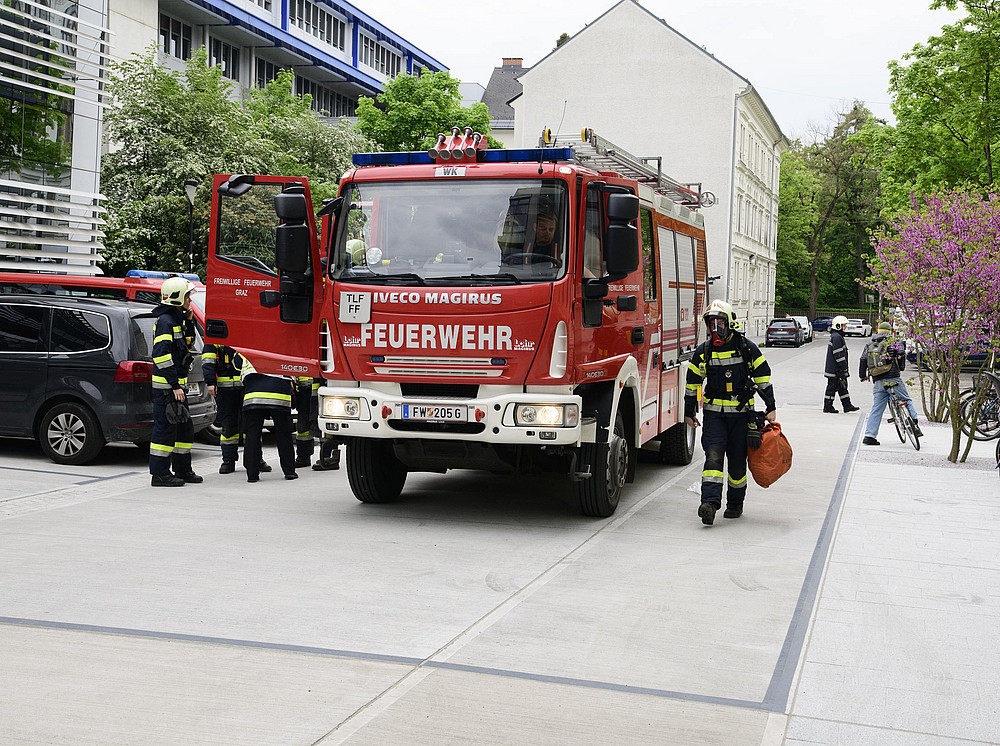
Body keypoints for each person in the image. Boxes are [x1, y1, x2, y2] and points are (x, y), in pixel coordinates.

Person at [684, 299, 777, 525]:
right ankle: (709, 503)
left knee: (737, 462)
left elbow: (763, 376)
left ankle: (735, 503)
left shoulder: (746, 347)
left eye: (719, 323)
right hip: (714, 416)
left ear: (730, 323)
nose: (715, 328)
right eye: (711, 323)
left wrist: (771, 407)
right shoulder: (704, 351)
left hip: (741, 417)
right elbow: (692, 382)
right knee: (713, 458)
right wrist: (689, 411)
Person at [149, 277, 203, 487]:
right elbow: (161, 356)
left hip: (176, 387)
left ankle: (182, 469)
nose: (190, 300)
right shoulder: (165, 322)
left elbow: (187, 344)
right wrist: (174, 386)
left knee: (184, 430)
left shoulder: (176, 319)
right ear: (177, 298)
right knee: (165, 431)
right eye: (187, 296)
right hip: (167, 389)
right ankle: (160, 475)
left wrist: (189, 320)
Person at [860, 321, 923, 445]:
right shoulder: (895, 342)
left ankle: (869, 436)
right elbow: (901, 356)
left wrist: (863, 376)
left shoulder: (870, 344)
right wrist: (902, 367)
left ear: (878, 330)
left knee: (877, 408)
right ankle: (914, 424)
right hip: (893, 378)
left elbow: (863, 360)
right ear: (891, 331)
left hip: (878, 380)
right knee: (906, 399)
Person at [237, 353, 297, 482]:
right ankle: (289, 471)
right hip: (279, 391)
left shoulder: (249, 344)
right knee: (283, 433)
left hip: (253, 392)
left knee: (252, 434)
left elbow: (238, 364)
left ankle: (252, 475)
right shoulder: (280, 344)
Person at [202, 343, 245, 474]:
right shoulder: (218, 331)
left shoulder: (247, 329)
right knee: (228, 426)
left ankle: (256, 459)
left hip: (246, 385)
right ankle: (228, 461)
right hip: (225, 388)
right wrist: (210, 381)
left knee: (251, 425)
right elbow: (208, 358)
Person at [823, 315, 860, 414]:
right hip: (835, 370)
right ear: (838, 326)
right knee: (832, 387)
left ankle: (847, 405)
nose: (845, 327)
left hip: (836, 369)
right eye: (844, 325)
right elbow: (838, 354)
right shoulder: (837, 337)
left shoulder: (837, 336)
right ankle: (828, 406)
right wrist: (843, 367)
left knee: (842, 387)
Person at [294, 376, 320, 468]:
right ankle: (303, 457)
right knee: (303, 425)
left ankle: (328, 457)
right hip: (303, 390)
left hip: (320, 387)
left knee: (323, 424)